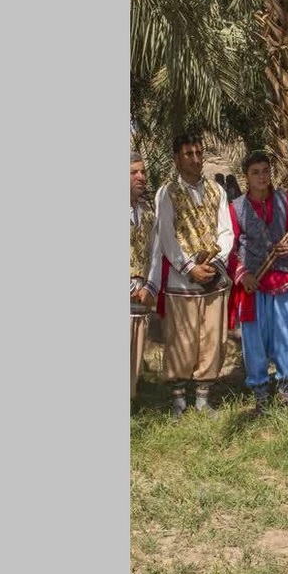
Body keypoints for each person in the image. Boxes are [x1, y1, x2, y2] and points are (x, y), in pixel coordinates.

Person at [148, 132, 235, 417]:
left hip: (212, 278)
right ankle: (178, 401)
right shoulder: (166, 192)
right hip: (180, 280)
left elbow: (226, 231)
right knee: (181, 339)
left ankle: (203, 398)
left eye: (199, 153)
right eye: (189, 154)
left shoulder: (217, 191)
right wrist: (189, 268)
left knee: (212, 337)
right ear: (176, 158)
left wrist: (214, 264)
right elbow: (166, 235)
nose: (196, 159)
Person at [226, 151, 288, 413]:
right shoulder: (236, 208)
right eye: (255, 172)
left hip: (281, 277)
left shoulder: (282, 200)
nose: (261, 176)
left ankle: (286, 390)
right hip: (253, 282)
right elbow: (230, 247)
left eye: (265, 170)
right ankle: (260, 391)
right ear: (246, 177)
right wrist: (242, 274)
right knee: (254, 338)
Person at [130, 150, 160, 402]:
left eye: (142, 171)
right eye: (133, 172)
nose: (141, 177)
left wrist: (150, 286)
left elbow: (155, 253)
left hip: (139, 299)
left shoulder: (148, 214)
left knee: (133, 363)